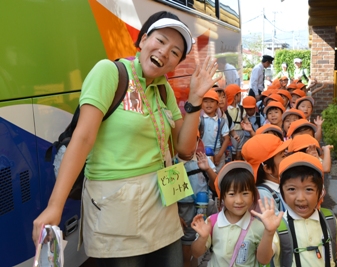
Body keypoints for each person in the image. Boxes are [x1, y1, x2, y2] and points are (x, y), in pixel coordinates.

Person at [32, 11, 221, 267]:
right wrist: (55, 206)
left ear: (176, 64)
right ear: (143, 40)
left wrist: (196, 100)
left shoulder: (164, 89)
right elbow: (83, 138)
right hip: (115, 214)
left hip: (162, 211)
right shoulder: (110, 73)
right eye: (161, 40)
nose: (165, 52)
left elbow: (185, 151)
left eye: (175, 52)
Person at [191, 161, 283, 266]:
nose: (239, 200)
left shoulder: (258, 226)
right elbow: (196, 253)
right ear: (223, 197)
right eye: (232, 194)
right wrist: (203, 237)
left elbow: (264, 260)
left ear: (253, 195)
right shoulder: (212, 222)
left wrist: (269, 232)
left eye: (245, 193)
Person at [271, 152, 337, 266]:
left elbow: (334, 249)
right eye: (292, 189)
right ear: (281, 192)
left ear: (320, 192)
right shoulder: (278, 225)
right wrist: (268, 232)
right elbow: (263, 259)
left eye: (309, 189)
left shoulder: (329, 219)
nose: (300, 198)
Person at [174, 141, 217, 267]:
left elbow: (217, 186)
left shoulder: (202, 158)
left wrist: (207, 169)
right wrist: (175, 216)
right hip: (184, 212)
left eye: (194, 139)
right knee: (187, 252)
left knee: (209, 244)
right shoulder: (172, 162)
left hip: (206, 208)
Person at [242, 134, 290, 214]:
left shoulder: (281, 185)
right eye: (283, 156)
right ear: (267, 168)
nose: (287, 158)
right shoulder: (263, 194)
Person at [199, 89, 230, 172]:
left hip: (217, 151)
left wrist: (219, 155)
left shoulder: (221, 121)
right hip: (202, 152)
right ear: (201, 104)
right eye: (205, 101)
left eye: (212, 101)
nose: (208, 104)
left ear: (217, 105)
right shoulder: (199, 120)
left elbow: (226, 139)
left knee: (219, 175)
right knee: (205, 175)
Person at [225, 84, 247, 160]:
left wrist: (248, 125)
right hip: (232, 134)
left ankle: (238, 164)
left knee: (239, 152)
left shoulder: (241, 108)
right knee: (232, 153)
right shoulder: (226, 109)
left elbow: (245, 119)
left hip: (241, 132)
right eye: (239, 94)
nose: (241, 96)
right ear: (235, 96)